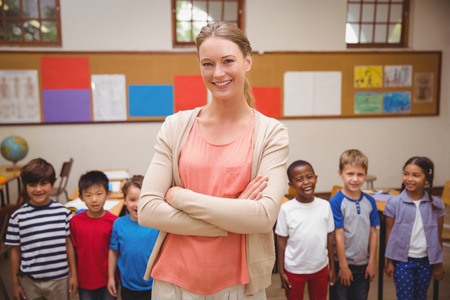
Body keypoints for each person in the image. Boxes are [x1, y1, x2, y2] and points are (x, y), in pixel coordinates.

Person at [138, 21, 289, 299]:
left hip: (238, 285)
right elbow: (147, 210)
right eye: (207, 64)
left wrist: (181, 197)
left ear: (247, 62)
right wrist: (236, 213)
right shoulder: (176, 125)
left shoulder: (271, 133)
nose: (217, 73)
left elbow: (264, 217)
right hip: (173, 282)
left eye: (227, 61)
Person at [5, 158, 78, 300]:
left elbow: (69, 244)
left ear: (52, 183)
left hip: (59, 280)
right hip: (29, 281)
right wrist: (15, 284)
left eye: (44, 183)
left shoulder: (63, 213)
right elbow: (15, 251)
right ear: (24, 186)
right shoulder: (17, 217)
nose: (38, 189)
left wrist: (74, 275)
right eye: (32, 185)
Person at [384, 156, 445, 300]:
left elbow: (438, 237)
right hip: (403, 262)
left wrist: (438, 264)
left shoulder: (436, 204)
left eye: (415, 175)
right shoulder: (394, 203)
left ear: (427, 179)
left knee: (421, 297)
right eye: (406, 174)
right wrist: (390, 262)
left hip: (426, 261)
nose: (409, 179)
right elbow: (389, 235)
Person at [275, 160, 335, 300]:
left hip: (320, 267)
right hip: (294, 269)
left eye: (309, 177)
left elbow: (329, 238)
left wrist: (332, 267)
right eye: (299, 179)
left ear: (316, 178)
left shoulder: (325, 206)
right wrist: (281, 271)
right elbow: (281, 241)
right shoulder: (286, 209)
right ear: (292, 185)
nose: (306, 182)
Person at [329, 149, 379, 300]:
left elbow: (373, 233)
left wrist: (372, 262)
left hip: (363, 264)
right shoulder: (336, 202)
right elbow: (338, 235)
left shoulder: (370, 201)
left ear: (365, 174)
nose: (355, 179)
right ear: (340, 173)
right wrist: (343, 266)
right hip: (342, 264)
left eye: (360, 174)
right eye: (350, 174)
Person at [107, 175, 159, 300]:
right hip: (128, 287)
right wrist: (110, 278)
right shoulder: (119, 224)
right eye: (132, 199)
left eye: (141, 199)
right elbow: (114, 252)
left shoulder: (156, 224)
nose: (137, 204)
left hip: (153, 285)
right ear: (124, 200)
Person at [70, 170, 117, 300]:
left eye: (99, 194)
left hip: (108, 279)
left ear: (108, 194)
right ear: (81, 197)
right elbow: (73, 251)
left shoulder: (114, 222)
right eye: (88, 195)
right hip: (85, 281)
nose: (94, 199)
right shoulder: (75, 222)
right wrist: (74, 276)